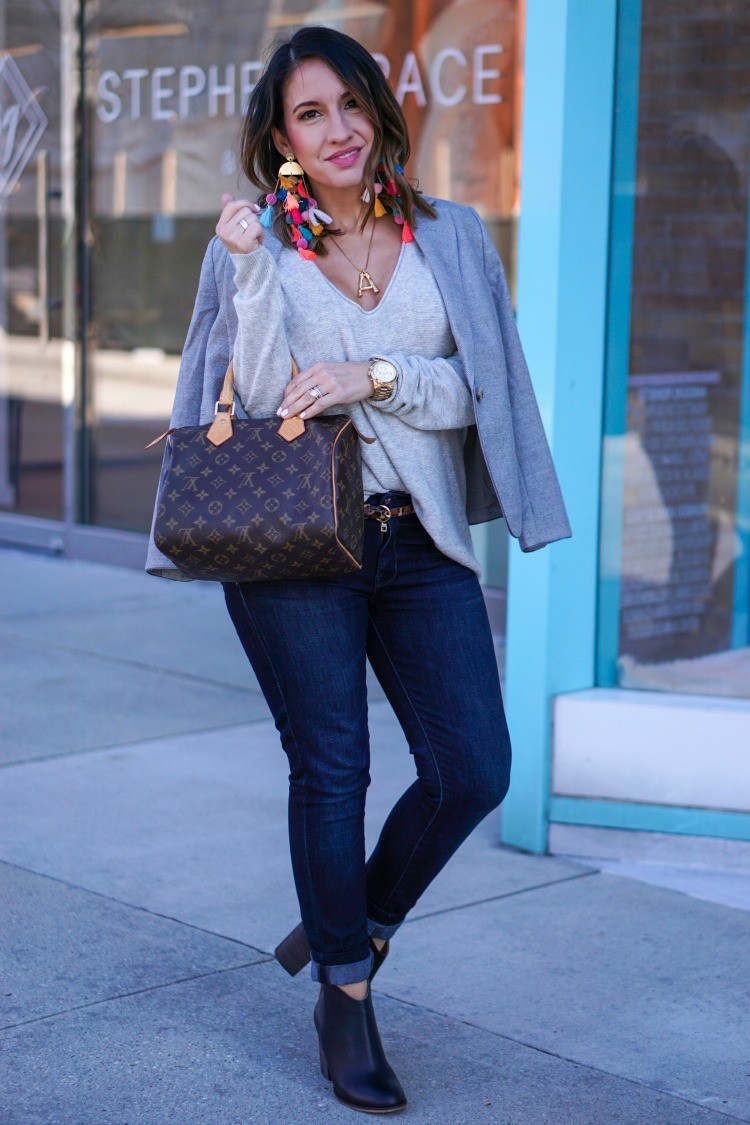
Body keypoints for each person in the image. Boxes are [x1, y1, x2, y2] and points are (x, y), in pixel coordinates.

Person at [146, 24, 571, 1116]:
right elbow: (243, 396)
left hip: (417, 541)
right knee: (331, 771)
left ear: (380, 110)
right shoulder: (257, 243)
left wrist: (370, 374)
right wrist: (249, 274)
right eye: (308, 113)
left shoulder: (453, 237)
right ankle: (346, 995)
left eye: (348, 105)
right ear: (280, 137)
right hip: (295, 545)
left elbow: (481, 392)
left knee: (474, 766)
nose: (335, 129)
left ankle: (353, 924)